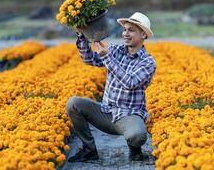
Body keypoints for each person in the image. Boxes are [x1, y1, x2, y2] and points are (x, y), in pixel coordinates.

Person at [66, 12, 157, 162]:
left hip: (128, 115)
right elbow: (89, 59)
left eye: (131, 30)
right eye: (125, 29)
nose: (126, 34)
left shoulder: (148, 62)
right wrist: (82, 37)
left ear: (143, 35)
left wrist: (107, 57)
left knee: (137, 136)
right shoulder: (116, 50)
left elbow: (130, 83)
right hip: (106, 111)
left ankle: (135, 150)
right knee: (73, 104)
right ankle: (89, 150)